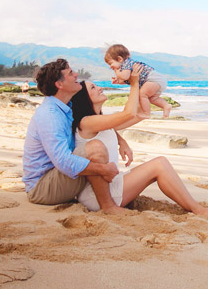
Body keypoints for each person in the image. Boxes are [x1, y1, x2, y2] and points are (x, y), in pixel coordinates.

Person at [70, 77, 208, 218]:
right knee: (159, 164)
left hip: (111, 184)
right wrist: (135, 83)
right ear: (84, 98)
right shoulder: (86, 122)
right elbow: (128, 114)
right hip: (97, 196)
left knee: (160, 164)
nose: (100, 88)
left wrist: (121, 140)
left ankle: (193, 207)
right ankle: (197, 209)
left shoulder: (101, 122)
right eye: (93, 88)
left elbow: (141, 114)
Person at [23, 58, 140, 215]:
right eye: (71, 73)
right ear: (59, 84)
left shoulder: (66, 106)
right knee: (95, 148)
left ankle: (107, 201)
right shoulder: (49, 115)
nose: (76, 74)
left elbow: (98, 122)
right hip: (42, 188)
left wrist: (121, 140)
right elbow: (63, 161)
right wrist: (103, 169)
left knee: (93, 149)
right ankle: (109, 207)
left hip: (58, 177)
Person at [104, 43, 173, 118]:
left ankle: (146, 113)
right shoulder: (125, 66)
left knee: (142, 95)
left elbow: (125, 76)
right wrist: (118, 81)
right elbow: (129, 79)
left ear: (119, 59)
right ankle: (166, 106)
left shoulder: (126, 63)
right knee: (152, 98)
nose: (111, 67)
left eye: (111, 63)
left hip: (153, 79)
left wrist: (116, 71)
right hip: (157, 80)